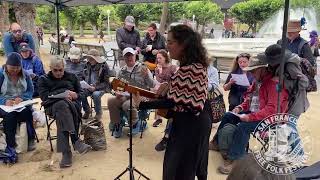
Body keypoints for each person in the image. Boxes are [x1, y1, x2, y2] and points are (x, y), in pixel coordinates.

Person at [133, 25, 210, 180]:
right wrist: (169, 87)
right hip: (190, 124)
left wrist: (142, 104)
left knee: (178, 171)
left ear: (184, 45)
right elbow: (179, 96)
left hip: (191, 127)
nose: (167, 46)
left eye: (171, 42)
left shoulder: (191, 69)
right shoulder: (190, 67)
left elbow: (173, 102)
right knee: (182, 169)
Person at [211, 56, 289, 174]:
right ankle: (216, 143)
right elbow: (249, 98)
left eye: (253, 70)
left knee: (243, 127)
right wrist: (240, 107)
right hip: (258, 113)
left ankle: (235, 159)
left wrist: (250, 117)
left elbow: (272, 110)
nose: (251, 73)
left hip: (271, 119)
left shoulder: (273, 84)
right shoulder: (257, 81)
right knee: (228, 115)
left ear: (263, 69)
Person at [38, 56, 92, 168]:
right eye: (55, 70)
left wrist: (76, 95)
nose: (58, 73)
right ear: (50, 68)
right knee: (62, 104)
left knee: (63, 109)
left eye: (60, 70)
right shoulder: (43, 79)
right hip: (52, 107)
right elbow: (44, 97)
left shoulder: (72, 77)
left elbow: (82, 94)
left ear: (64, 67)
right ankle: (75, 140)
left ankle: (66, 153)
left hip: (71, 107)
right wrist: (63, 93)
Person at [107, 47, 155, 138]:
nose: (129, 58)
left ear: (135, 56)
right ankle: (118, 124)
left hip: (139, 95)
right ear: (124, 58)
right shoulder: (121, 71)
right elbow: (115, 86)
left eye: (131, 55)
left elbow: (152, 85)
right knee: (111, 101)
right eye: (127, 56)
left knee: (126, 105)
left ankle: (135, 123)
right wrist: (116, 92)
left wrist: (147, 77)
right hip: (125, 95)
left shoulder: (143, 68)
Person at [0, 52, 36, 152]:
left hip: (20, 103)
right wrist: (4, 101)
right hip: (4, 105)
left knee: (27, 113)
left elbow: (30, 91)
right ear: (7, 65)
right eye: (12, 68)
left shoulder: (26, 75)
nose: (15, 71)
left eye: (17, 68)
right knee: (10, 115)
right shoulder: (1, 75)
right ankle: (10, 146)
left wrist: (22, 98)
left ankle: (30, 139)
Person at [81, 49, 112, 120]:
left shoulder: (104, 65)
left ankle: (98, 112)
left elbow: (106, 82)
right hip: (89, 86)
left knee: (96, 94)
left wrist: (95, 87)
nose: (89, 60)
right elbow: (84, 76)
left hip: (101, 87)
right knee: (81, 92)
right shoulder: (87, 64)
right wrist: (85, 84)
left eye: (91, 58)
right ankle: (87, 110)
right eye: (89, 58)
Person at [152, 50, 178, 127]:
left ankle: (171, 119)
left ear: (165, 58)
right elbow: (158, 81)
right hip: (161, 89)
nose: (158, 60)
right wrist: (159, 73)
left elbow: (176, 80)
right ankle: (158, 118)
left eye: (160, 58)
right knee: (157, 93)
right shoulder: (157, 68)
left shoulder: (172, 67)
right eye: (157, 58)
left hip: (171, 90)